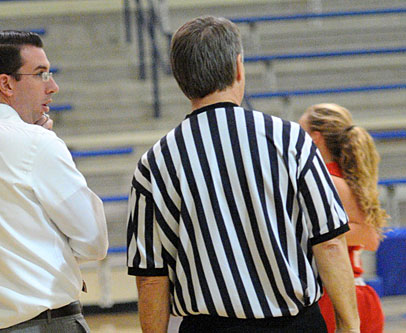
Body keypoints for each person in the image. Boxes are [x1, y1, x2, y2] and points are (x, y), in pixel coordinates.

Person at [126, 16, 360, 332]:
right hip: (294, 324)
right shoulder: (290, 139)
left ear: (180, 78)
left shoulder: (154, 163)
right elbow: (330, 244)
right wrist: (350, 326)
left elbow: (151, 277)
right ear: (239, 67)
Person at [0, 30, 108, 332]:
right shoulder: (37, 143)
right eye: (41, 74)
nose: (53, 86)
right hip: (47, 323)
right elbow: (94, 242)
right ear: (6, 84)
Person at [299, 103, 388, 332]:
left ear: (315, 137)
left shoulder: (327, 180)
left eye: (301, 130)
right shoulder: (345, 179)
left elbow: (369, 236)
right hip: (358, 296)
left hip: (337, 298)